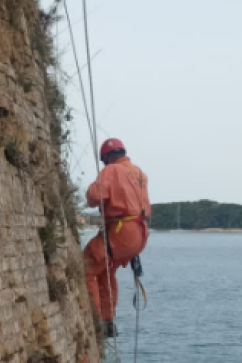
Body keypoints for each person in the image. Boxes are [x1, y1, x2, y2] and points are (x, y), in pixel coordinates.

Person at [83, 138, 151, 338]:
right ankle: (108, 320)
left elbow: (95, 197)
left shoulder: (112, 170)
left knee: (87, 267)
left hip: (123, 231)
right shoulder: (140, 173)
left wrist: (90, 191)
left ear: (107, 157)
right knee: (105, 271)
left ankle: (96, 319)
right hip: (140, 233)